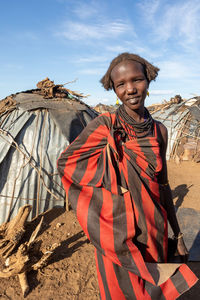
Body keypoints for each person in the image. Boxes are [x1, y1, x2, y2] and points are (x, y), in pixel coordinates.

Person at [57, 53, 198, 299]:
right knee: (119, 290)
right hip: (117, 231)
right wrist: (113, 183)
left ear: (148, 80)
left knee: (154, 288)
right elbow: (67, 163)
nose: (131, 89)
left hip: (154, 227)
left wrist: (178, 233)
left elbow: (163, 184)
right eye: (121, 84)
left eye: (137, 80)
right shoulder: (105, 126)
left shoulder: (159, 131)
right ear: (113, 88)